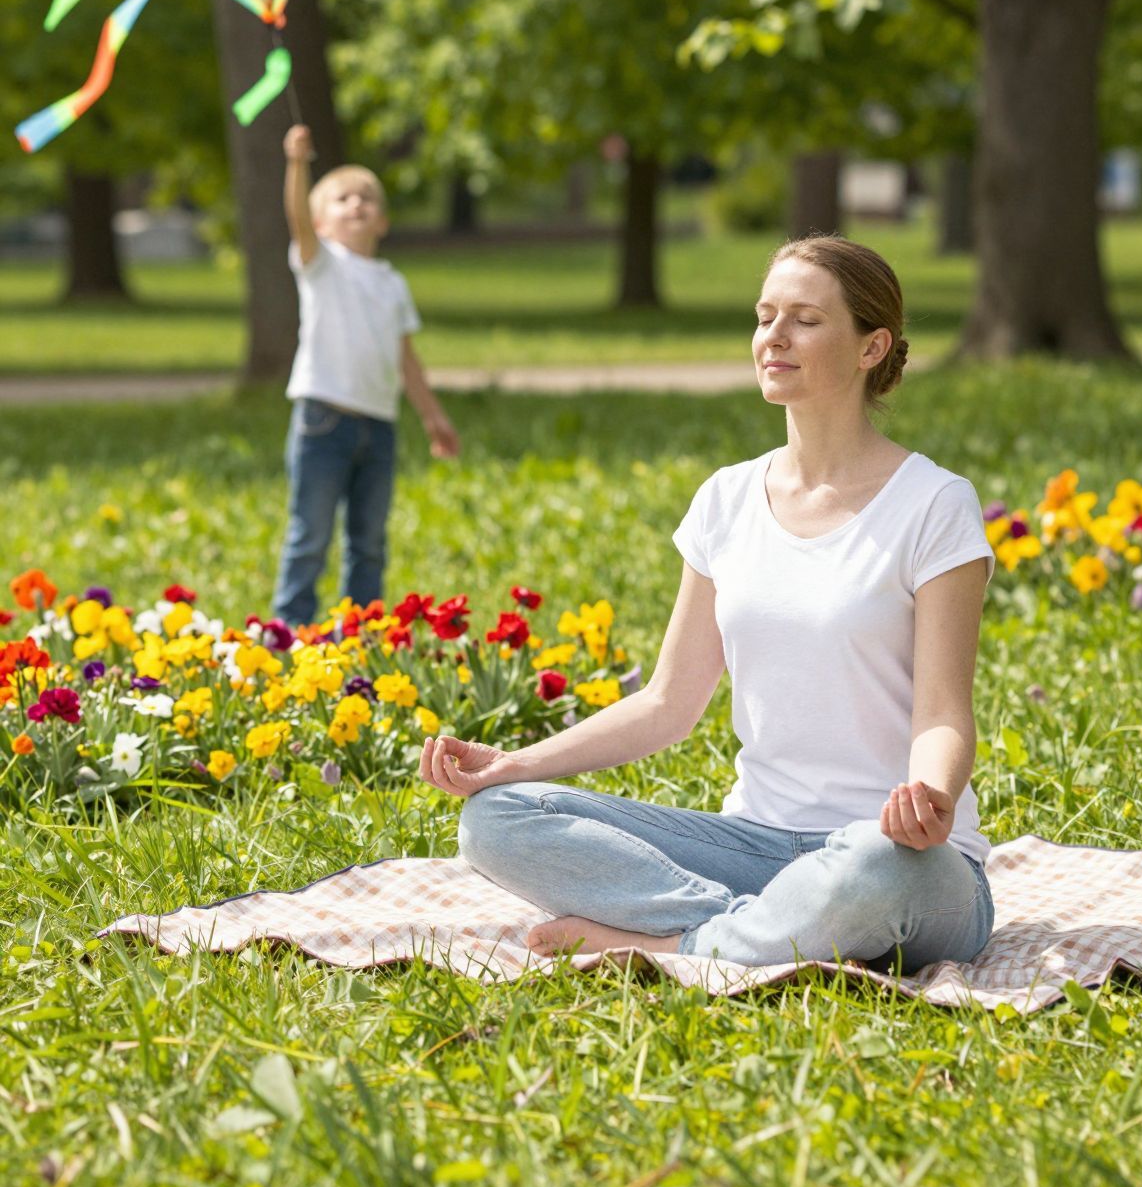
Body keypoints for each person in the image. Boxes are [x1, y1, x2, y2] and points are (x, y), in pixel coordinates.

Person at [419, 235, 996, 974]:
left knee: (867, 870)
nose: (774, 337)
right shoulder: (726, 499)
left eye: (806, 320)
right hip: (751, 848)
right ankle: (743, 932)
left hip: (901, 858)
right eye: (764, 316)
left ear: (870, 347)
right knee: (494, 821)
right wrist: (513, 764)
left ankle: (669, 942)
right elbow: (666, 703)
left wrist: (930, 794)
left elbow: (944, 712)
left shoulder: (934, 504)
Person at [272, 124, 459, 627]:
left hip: (379, 426)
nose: (356, 204)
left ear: (383, 221)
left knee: (369, 542)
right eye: (342, 198)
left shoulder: (392, 283)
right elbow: (295, 220)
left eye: (367, 199)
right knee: (309, 536)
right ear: (320, 220)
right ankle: (287, 633)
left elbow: (406, 359)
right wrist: (297, 164)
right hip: (322, 420)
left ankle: (360, 633)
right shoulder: (321, 263)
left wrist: (433, 417)